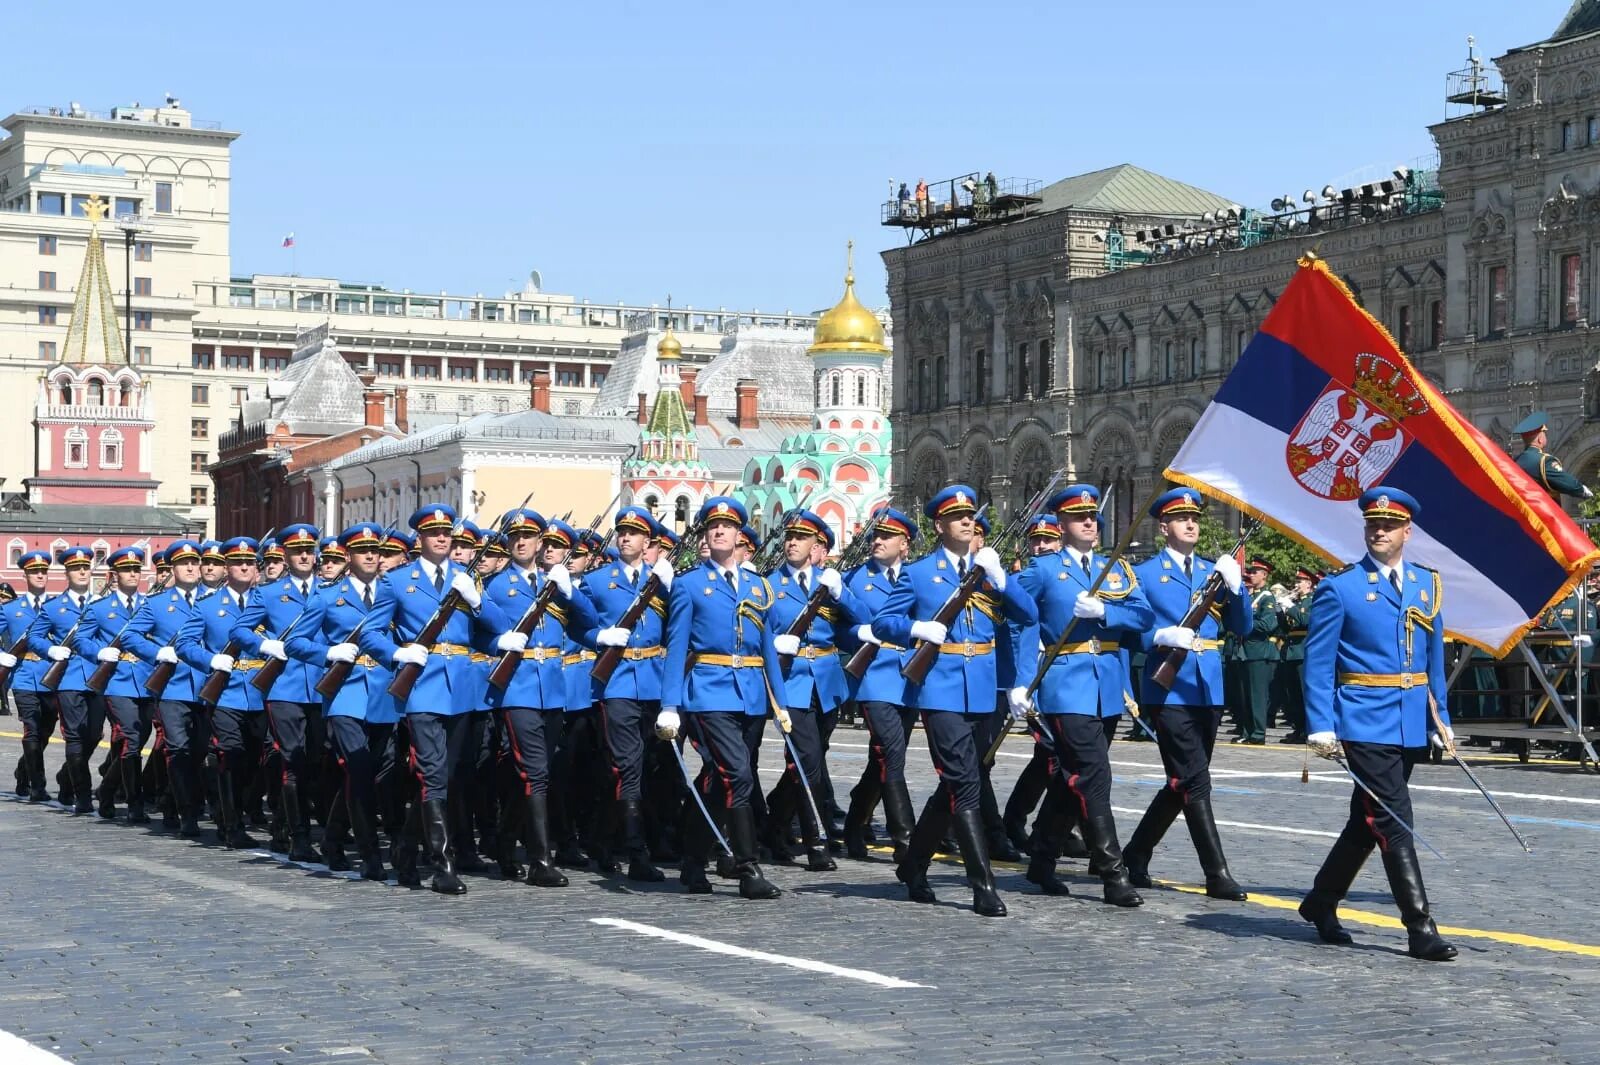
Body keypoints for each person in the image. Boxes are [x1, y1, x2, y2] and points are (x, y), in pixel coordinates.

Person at [1299, 486, 1457, 961]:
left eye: (1389, 525)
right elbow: (1318, 662)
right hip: (1363, 718)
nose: (1379, 531)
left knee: (1366, 822)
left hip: (1409, 719)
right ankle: (1419, 925)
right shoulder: (1340, 587)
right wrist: (1320, 724)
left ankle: (1321, 901)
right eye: (1372, 524)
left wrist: (1440, 718)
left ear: (1407, 531)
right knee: (1392, 817)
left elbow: (1433, 660)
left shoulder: (1427, 585)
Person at [871, 484, 1039, 917]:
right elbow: (885, 621)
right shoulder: (921, 573)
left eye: (971, 516)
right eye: (958, 516)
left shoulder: (987, 572)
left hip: (983, 688)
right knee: (964, 783)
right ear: (939, 525)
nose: (968, 521)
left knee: (957, 782)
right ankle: (982, 885)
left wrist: (1002, 579)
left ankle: (913, 864)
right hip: (939, 687)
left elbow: (1028, 616)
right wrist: (916, 630)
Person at [359, 504, 513, 895]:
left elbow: (497, 627)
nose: (443, 539)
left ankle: (407, 850)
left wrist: (476, 600)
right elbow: (370, 634)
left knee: (447, 776)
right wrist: (397, 654)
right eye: (434, 533)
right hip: (423, 684)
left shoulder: (467, 578)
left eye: (448, 534)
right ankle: (442, 863)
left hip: (462, 686)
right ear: (420, 539)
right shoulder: (398, 581)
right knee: (432, 771)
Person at [1013, 485, 1152, 906]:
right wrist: (1021, 679)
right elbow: (1018, 620)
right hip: (1064, 682)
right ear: (1061, 524)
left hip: (1107, 685)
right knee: (1095, 777)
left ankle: (1041, 856)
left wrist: (1107, 612)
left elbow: (1144, 616)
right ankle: (1113, 873)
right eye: (1078, 517)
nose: (1089, 522)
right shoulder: (1042, 570)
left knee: (1070, 778)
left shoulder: (1117, 568)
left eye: (1092, 516)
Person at [1123, 489, 1251, 900]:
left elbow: (1242, 627)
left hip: (1207, 686)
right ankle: (1216, 872)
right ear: (1164, 528)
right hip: (1168, 687)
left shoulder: (1214, 571)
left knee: (1181, 781)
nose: (1191, 524)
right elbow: (1132, 628)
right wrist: (1158, 634)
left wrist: (1239, 589)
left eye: (1195, 518)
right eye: (1181, 519)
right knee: (1196, 781)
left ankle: (1136, 853)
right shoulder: (1143, 573)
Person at [657, 496, 786, 900]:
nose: (718, 532)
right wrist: (669, 705)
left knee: (718, 779)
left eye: (726, 527)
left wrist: (780, 704)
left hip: (749, 694)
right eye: (712, 527)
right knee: (740, 775)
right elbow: (677, 646)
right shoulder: (690, 584)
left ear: (739, 535)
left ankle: (693, 860)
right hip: (708, 692)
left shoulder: (758, 586)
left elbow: (767, 649)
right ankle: (747, 866)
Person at [287, 522, 397, 880]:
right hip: (346, 691)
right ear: (348, 556)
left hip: (384, 693)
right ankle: (370, 855)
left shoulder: (393, 591)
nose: (371, 556)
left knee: (377, 774)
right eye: (363, 551)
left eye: (376, 551)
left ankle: (333, 839)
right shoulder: (326, 596)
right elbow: (295, 642)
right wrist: (328, 652)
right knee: (360, 770)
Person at [761, 509, 863, 870]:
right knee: (807, 761)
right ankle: (814, 839)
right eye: (789, 537)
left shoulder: (828, 583)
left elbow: (863, 620)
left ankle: (772, 825)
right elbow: (758, 633)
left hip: (827, 682)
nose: (792, 543)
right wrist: (777, 644)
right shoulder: (770, 585)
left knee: (810, 761)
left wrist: (842, 595)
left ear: (816, 545)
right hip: (791, 681)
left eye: (801, 538)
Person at [580, 504, 676, 882]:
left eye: (633, 534)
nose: (625, 538)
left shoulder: (663, 581)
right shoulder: (600, 580)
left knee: (642, 767)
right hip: (617, 681)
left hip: (652, 679)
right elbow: (575, 622)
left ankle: (602, 838)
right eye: (621, 532)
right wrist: (598, 637)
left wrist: (670, 588)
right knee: (627, 765)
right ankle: (636, 852)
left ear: (647, 542)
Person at [232, 523, 329, 860]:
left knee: (319, 761)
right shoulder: (269, 593)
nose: (304, 555)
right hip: (285, 685)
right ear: (285, 555)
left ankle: (285, 826)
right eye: (297, 550)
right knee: (293, 761)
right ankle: (298, 837)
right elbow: (240, 630)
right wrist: (264, 644)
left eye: (309, 549)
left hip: (322, 685)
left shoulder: (331, 590)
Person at [176, 537, 269, 847]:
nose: (244, 566)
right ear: (226, 567)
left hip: (262, 690)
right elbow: (185, 645)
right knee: (230, 754)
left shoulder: (268, 601)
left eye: (249, 562)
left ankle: (235, 810)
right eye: (237, 561)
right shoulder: (207, 606)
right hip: (226, 691)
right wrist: (210, 659)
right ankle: (231, 825)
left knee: (255, 761)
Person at [840, 507, 917, 861]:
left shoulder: (917, 577)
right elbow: (838, 629)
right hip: (873, 674)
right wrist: (859, 631)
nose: (877, 541)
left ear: (905, 544)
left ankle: (856, 818)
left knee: (882, 758)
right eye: (875, 535)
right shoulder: (856, 579)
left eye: (886, 536)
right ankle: (905, 840)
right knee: (891, 752)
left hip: (908, 675)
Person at [124, 540, 208, 836]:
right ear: (172, 568)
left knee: (199, 751)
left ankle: (170, 798)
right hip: (172, 686)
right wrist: (157, 653)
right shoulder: (157, 603)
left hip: (207, 686)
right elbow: (130, 636)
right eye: (183, 563)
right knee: (178, 748)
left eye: (194, 562)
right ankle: (187, 813)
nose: (190, 567)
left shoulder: (213, 600)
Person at [78, 546, 155, 823]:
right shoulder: (100, 609)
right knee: (131, 739)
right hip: (116, 681)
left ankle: (107, 789)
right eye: (127, 570)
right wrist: (98, 653)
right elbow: (80, 640)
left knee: (138, 738)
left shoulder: (151, 605)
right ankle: (135, 803)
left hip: (147, 680)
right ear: (114, 575)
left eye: (136, 569)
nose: (133, 574)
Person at [27, 546, 101, 815]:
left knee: (95, 734)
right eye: (75, 568)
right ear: (67, 572)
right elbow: (33, 637)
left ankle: (67, 776)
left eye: (85, 567)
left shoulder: (103, 605)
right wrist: (50, 650)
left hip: (97, 676)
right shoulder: (54, 607)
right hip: (68, 678)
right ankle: (82, 794)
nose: (82, 572)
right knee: (74, 735)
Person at [5, 551, 58, 803]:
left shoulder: (57, 606)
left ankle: (23, 770)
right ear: (25, 575)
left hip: (51, 676)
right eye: (34, 571)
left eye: (43, 571)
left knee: (46, 731)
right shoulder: (11, 609)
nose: (39, 575)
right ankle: (38, 785)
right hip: (25, 676)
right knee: (32, 729)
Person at [1232, 556, 1280, 745]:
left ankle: (1258, 733)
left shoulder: (1267, 597)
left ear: (1264, 575)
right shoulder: (1250, 597)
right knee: (1244, 695)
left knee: (1257, 695)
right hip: (1245, 651)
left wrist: (1244, 624)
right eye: (1249, 572)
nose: (1250, 575)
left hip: (1260, 652)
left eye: (1254, 572)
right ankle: (1247, 730)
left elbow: (1267, 624)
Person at [1274, 567, 1316, 743]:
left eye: (1300, 581)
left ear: (1309, 584)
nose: (1296, 585)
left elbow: (1305, 621)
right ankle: (1298, 728)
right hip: (1291, 652)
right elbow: (1286, 628)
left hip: (1303, 650)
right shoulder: (1298, 603)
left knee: (1304, 694)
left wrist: (1290, 607)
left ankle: (1308, 730)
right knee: (1293, 696)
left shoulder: (1312, 601)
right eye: (1296, 581)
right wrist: (1279, 610)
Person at [1512, 411, 1591, 502]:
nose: (1546, 436)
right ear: (1540, 439)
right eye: (1544, 433)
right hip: (1541, 514)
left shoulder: (1515, 462)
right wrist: (1583, 490)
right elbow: (1566, 482)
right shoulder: (1545, 461)